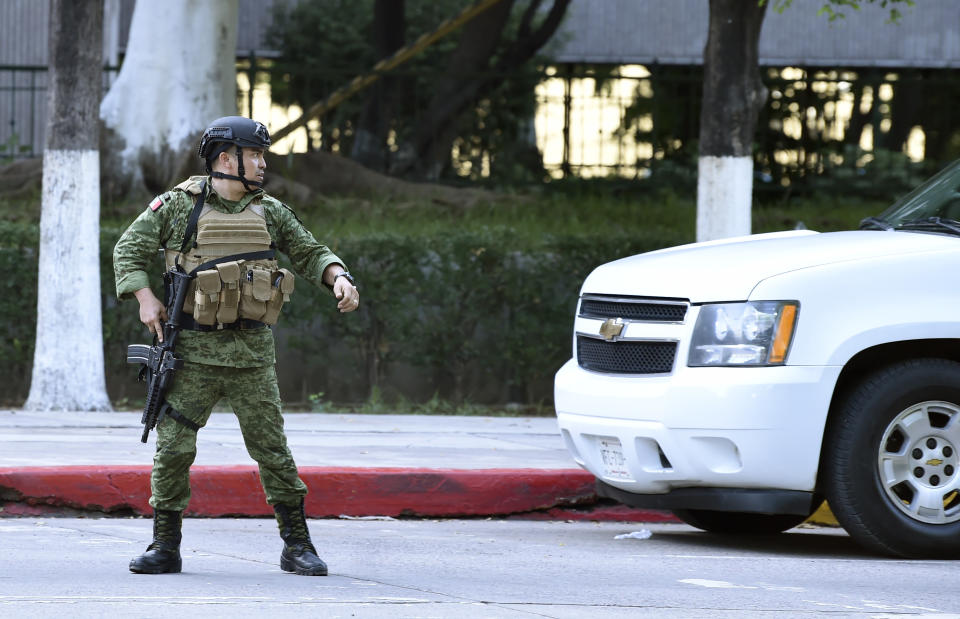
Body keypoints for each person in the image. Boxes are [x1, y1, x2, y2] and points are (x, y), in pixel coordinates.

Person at [113, 116, 359, 577]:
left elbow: (309, 251)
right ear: (227, 159)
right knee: (174, 450)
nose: (263, 164)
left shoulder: (270, 210)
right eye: (256, 155)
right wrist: (146, 300)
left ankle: (297, 545)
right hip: (190, 357)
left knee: (274, 452)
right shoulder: (177, 207)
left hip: (251, 357)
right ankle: (165, 545)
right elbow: (127, 249)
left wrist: (339, 277)